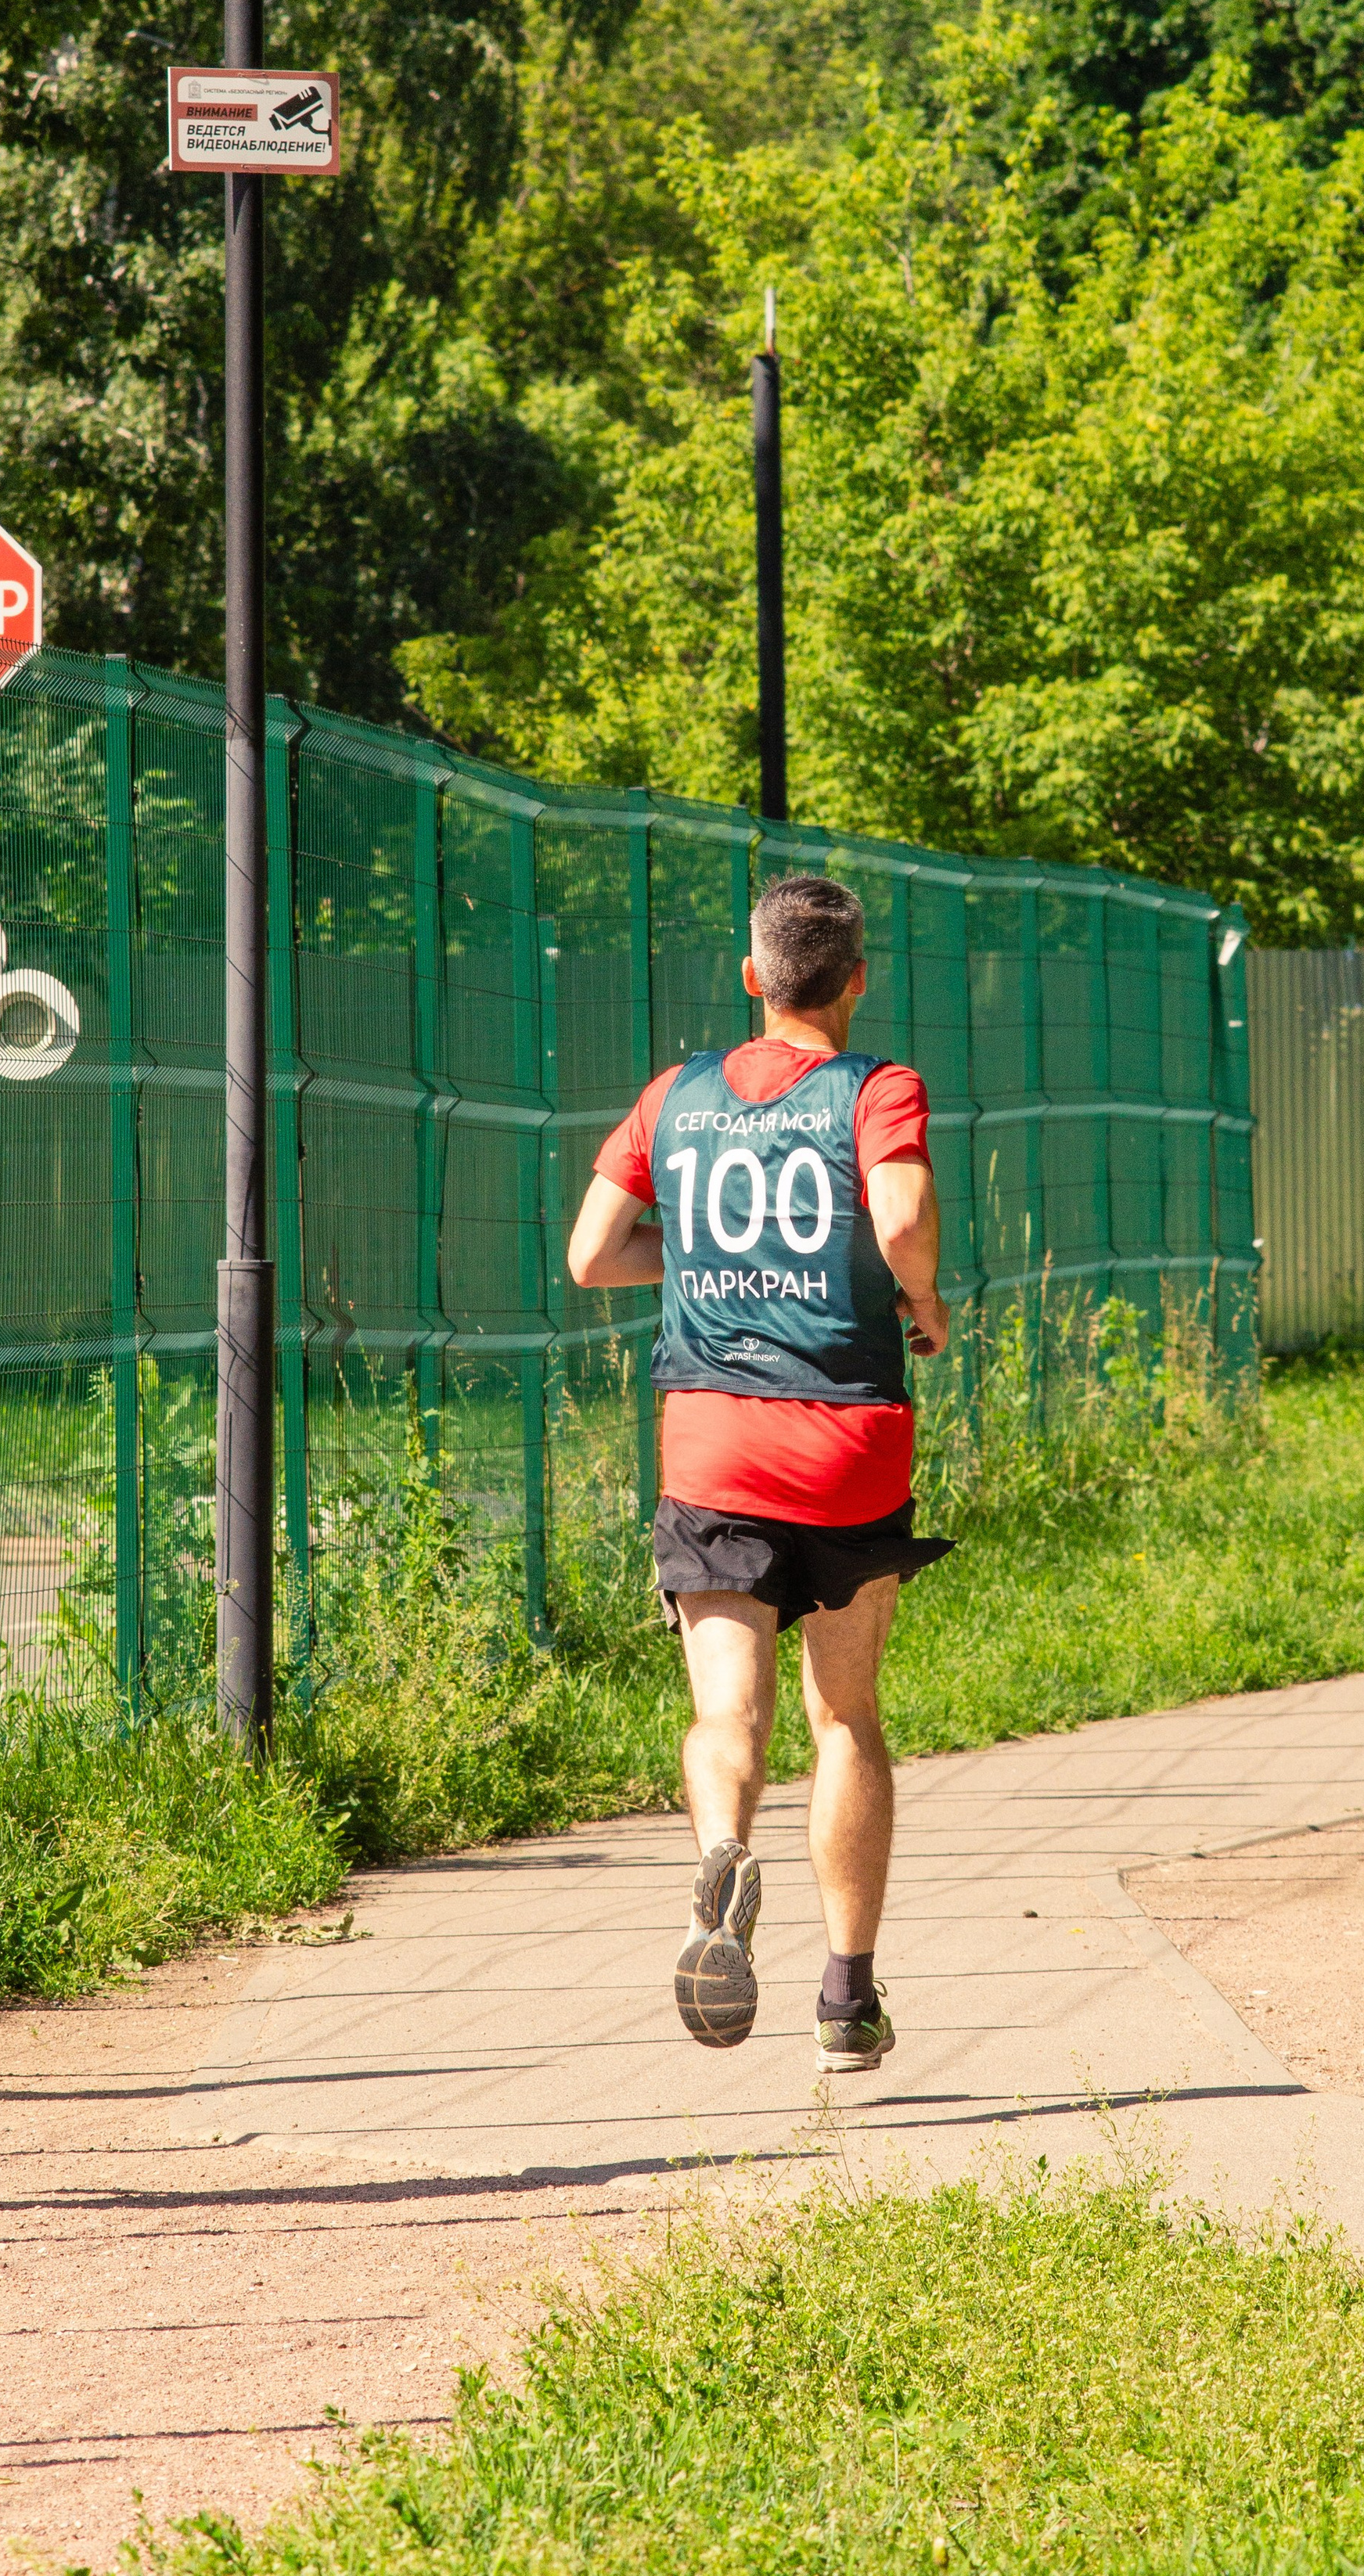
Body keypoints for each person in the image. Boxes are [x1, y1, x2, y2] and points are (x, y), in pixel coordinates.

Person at [566, 872, 952, 2074]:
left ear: (752, 978)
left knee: (725, 1711)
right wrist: (924, 1296)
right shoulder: (875, 1085)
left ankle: (723, 1850)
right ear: (855, 980)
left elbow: (589, 1255)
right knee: (846, 1716)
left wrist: (703, 1253)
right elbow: (898, 1220)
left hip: (713, 1438)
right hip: (844, 1439)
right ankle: (846, 2000)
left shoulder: (674, 1095)